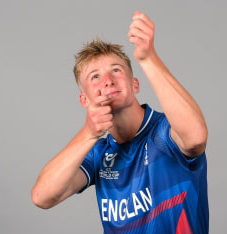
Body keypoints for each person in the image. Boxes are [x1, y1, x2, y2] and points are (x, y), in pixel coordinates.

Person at [31, 11, 209, 234]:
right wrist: (88, 133)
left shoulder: (165, 132)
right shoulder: (98, 153)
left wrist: (148, 58)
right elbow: (42, 196)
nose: (107, 81)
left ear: (135, 84)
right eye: (95, 76)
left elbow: (196, 137)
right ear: (84, 100)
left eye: (116, 70)